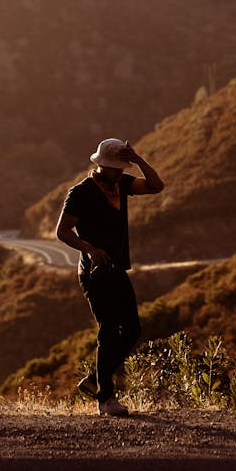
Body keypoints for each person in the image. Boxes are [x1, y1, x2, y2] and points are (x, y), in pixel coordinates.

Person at [56, 137, 164, 416]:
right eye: (115, 168)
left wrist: (139, 159)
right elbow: (63, 232)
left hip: (117, 269)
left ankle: (94, 380)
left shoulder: (122, 184)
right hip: (94, 272)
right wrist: (90, 249)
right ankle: (106, 400)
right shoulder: (80, 193)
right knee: (108, 330)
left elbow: (156, 186)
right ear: (101, 166)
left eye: (122, 168)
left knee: (132, 330)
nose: (119, 173)